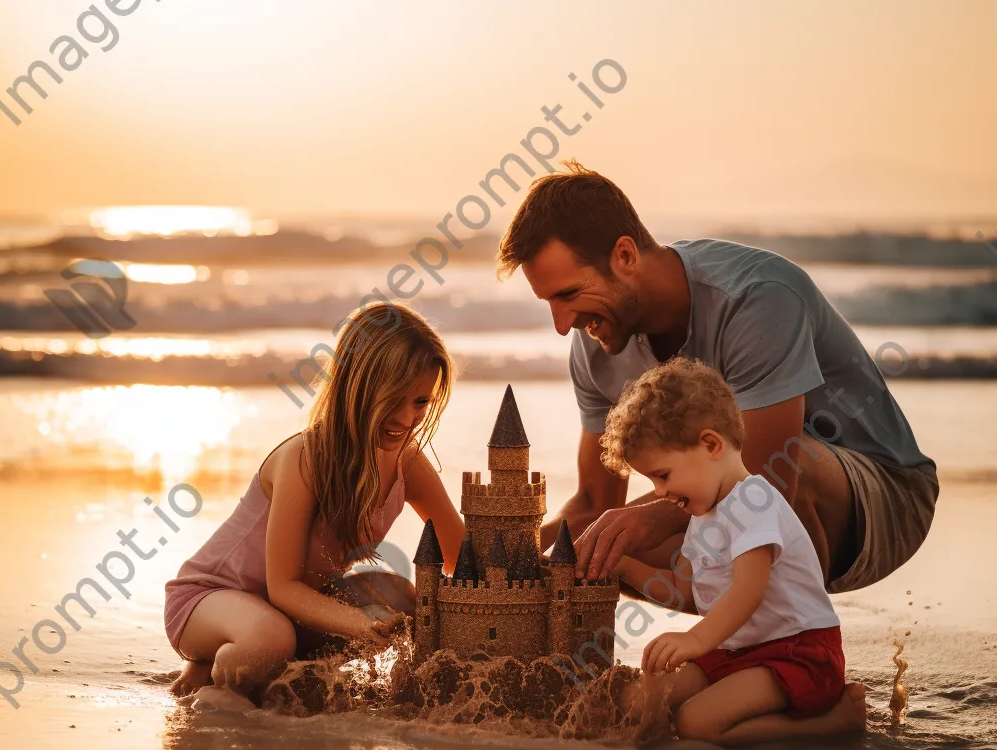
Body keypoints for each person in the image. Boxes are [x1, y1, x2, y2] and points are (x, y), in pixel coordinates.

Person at [496, 161, 938, 599]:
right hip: (719, 503)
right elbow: (596, 501)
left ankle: (799, 652)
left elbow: (769, 477)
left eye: (569, 294)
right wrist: (511, 558)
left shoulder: (756, 296)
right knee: (587, 553)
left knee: (763, 479)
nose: (562, 323)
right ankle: (718, 649)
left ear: (625, 256)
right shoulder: (596, 339)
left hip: (880, 500)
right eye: (549, 302)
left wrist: (653, 517)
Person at [164, 303, 465, 710]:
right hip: (213, 598)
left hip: (287, 610)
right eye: (395, 399)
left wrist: (541, 570)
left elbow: (462, 557)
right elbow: (283, 586)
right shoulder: (305, 458)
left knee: (405, 598)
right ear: (355, 386)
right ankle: (216, 679)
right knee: (270, 640)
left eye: (420, 402)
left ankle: (271, 670)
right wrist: (361, 623)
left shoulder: (406, 461)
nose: (406, 418)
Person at [602, 358, 867, 746]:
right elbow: (684, 590)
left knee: (697, 724)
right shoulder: (702, 514)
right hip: (735, 651)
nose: (658, 493)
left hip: (795, 653)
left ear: (710, 444)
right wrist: (623, 566)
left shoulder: (752, 499)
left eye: (663, 475)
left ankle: (834, 721)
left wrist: (693, 641)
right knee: (638, 702)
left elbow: (748, 589)